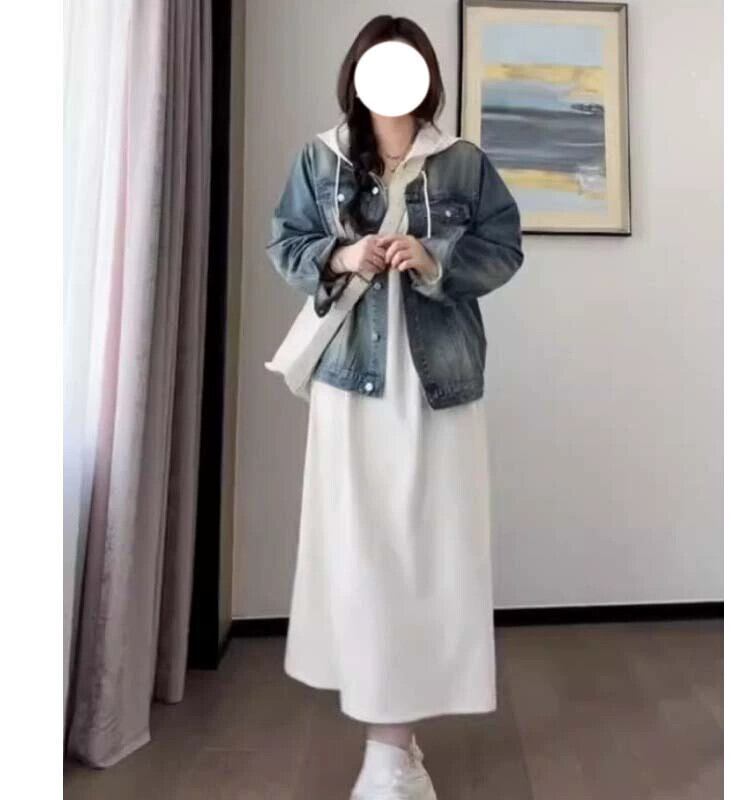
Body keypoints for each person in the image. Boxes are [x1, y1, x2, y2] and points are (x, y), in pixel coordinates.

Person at [265, 15, 525, 800]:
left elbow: (504, 246)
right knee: (362, 559)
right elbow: (286, 243)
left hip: (438, 386)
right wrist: (345, 254)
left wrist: (433, 259)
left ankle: (393, 752)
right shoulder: (322, 157)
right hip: (351, 386)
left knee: (431, 558)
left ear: (426, 77)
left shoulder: (463, 162)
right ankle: (390, 753)